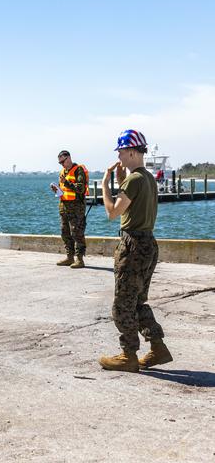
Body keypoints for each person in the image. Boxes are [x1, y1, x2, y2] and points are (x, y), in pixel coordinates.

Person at [98, 129, 172, 372]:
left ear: (131, 151)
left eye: (121, 152)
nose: (119, 156)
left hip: (133, 246)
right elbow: (134, 202)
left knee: (121, 305)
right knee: (137, 301)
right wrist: (121, 182)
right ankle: (158, 348)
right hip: (148, 243)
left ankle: (128, 355)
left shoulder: (134, 180)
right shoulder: (147, 178)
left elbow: (112, 212)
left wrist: (105, 186)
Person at [50, 150, 88, 268]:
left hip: (76, 208)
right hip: (64, 207)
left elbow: (81, 188)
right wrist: (56, 189)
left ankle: (79, 260)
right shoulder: (63, 172)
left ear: (69, 158)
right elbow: (64, 190)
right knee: (65, 233)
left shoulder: (78, 170)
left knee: (77, 233)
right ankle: (69, 257)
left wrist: (66, 183)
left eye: (63, 161)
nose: (62, 164)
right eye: (60, 163)